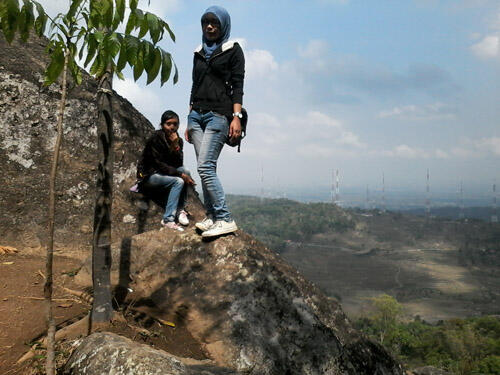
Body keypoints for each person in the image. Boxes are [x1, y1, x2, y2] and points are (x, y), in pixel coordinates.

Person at [185, 5, 245, 238]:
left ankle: (225, 218)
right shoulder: (198, 51)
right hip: (196, 115)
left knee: (205, 167)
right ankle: (211, 216)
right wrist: (189, 117)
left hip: (219, 115)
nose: (209, 26)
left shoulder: (233, 50)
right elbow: (195, 84)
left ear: (223, 26)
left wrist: (236, 117)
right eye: (206, 22)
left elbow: (238, 86)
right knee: (204, 169)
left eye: (215, 23)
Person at [137, 110, 195, 231]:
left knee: (186, 171)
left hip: (164, 174)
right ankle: (168, 219)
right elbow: (157, 164)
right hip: (150, 175)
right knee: (178, 181)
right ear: (162, 125)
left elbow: (178, 164)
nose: (172, 127)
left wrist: (175, 146)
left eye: (175, 124)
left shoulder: (178, 140)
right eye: (169, 124)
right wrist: (180, 175)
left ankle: (180, 210)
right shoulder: (155, 138)